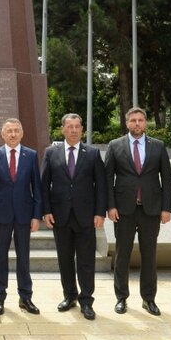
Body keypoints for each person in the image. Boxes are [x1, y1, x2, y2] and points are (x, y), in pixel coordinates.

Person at [105, 107, 171, 317]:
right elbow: (108, 180)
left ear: (146, 123)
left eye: (140, 120)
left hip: (151, 210)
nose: (137, 124)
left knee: (149, 256)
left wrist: (166, 208)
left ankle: (149, 299)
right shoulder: (115, 146)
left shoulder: (158, 146)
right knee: (122, 255)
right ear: (127, 123)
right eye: (133, 120)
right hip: (123, 210)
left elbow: (167, 179)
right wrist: (111, 206)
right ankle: (121, 298)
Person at [41, 113, 106, 320]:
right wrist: (46, 210)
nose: (74, 130)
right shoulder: (51, 152)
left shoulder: (93, 154)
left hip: (86, 216)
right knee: (65, 259)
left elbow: (101, 186)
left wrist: (99, 212)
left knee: (86, 261)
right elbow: (44, 185)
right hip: (60, 216)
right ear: (62, 129)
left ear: (82, 129)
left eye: (78, 126)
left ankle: (87, 301)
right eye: (70, 126)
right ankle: (69, 296)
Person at [0, 118, 43, 316]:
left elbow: (37, 188)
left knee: (24, 257)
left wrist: (36, 216)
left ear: (22, 133)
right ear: (2, 134)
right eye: (9, 131)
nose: (12, 134)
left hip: (24, 215)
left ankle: (25, 297)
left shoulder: (31, 155)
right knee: (0, 258)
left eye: (16, 130)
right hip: (1, 216)